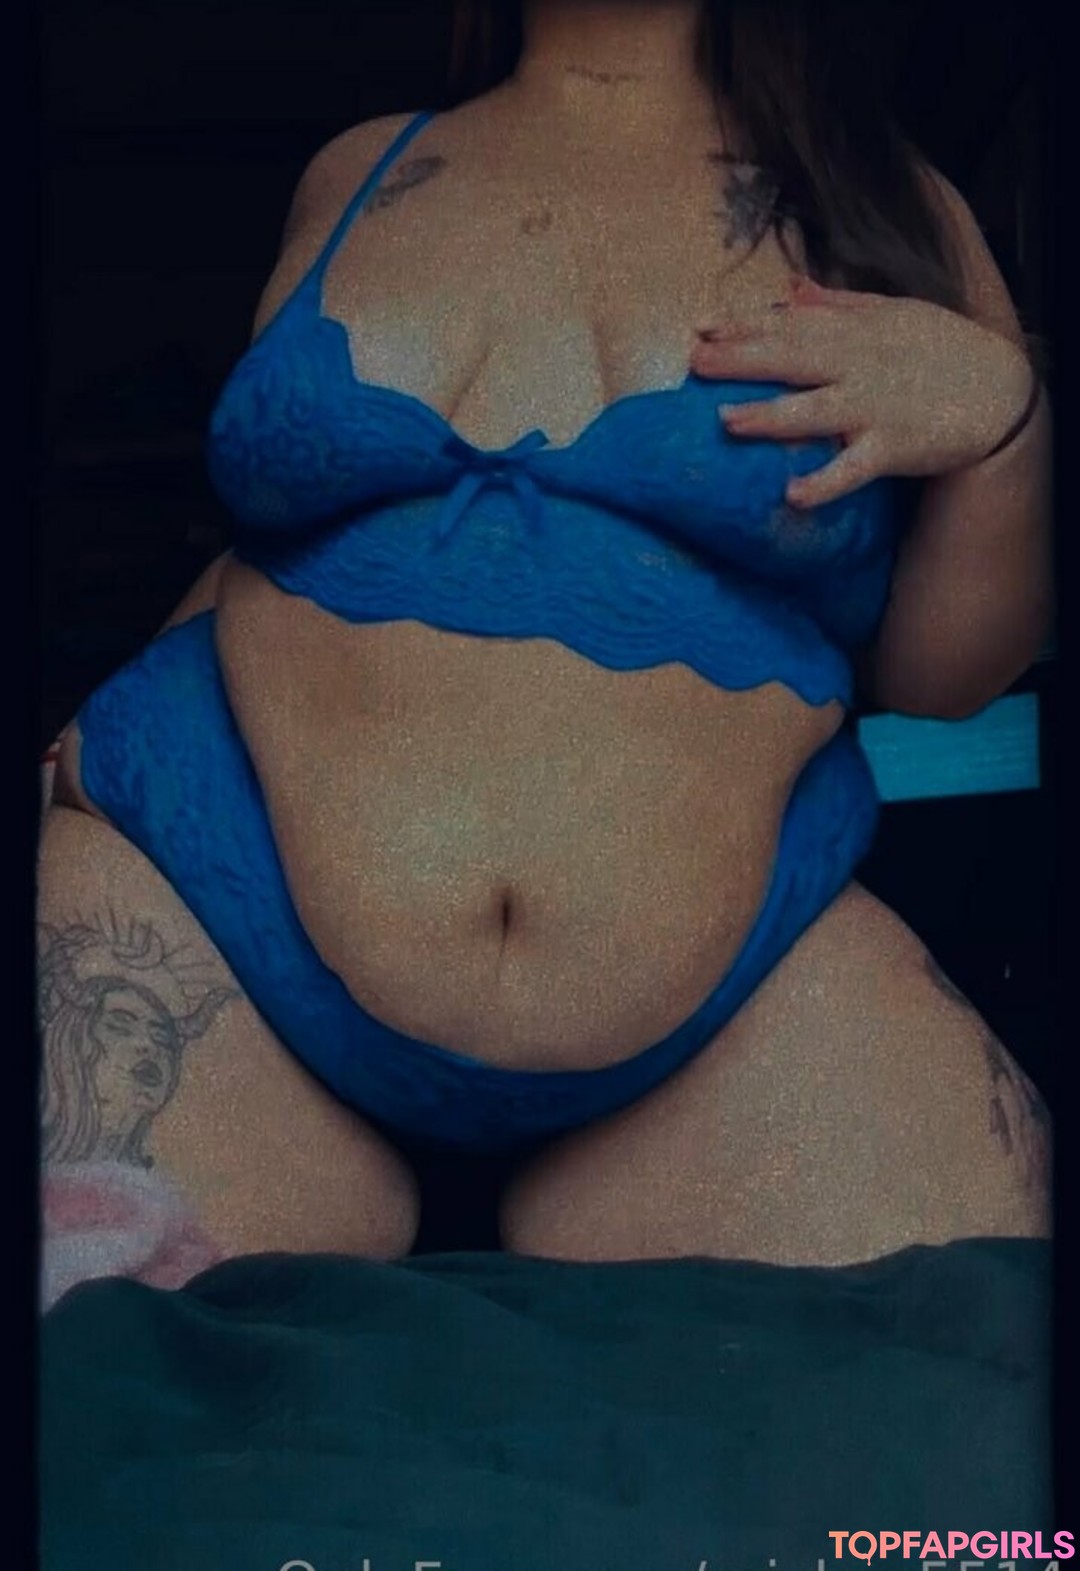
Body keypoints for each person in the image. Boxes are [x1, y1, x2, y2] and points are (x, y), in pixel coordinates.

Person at [37, 0, 1053, 1304]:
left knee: (967, 1359)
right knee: (103, 1385)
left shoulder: (889, 203)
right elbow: (291, 542)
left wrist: (1008, 429)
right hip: (206, 910)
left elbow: (942, 677)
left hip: (729, 1000)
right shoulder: (358, 168)